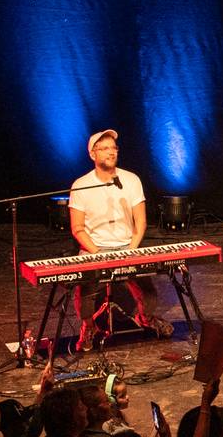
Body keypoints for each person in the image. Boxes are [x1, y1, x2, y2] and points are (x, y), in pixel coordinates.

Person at [68, 128, 166, 339]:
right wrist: (98, 253)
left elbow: (140, 221)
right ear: (93, 154)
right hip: (94, 248)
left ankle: (146, 318)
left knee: (149, 294)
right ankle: (88, 326)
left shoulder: (131, 180)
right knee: (85, 292)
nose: (111, 152)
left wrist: (131, 250)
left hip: (126, 246)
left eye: (113, 148)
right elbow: (77, 228)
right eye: (104, 149)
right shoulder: (81, 185)